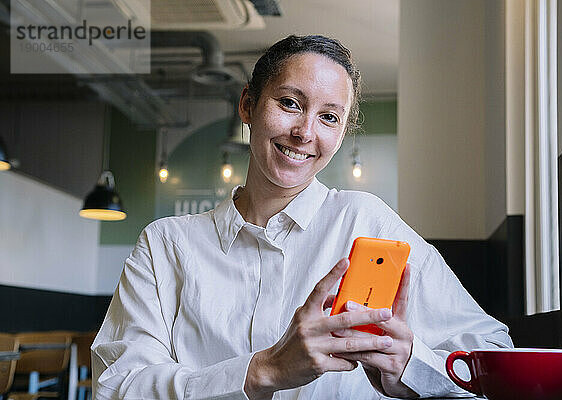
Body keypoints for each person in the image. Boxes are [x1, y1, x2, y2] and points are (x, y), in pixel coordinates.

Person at [91, 35, 513, 400]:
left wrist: (410, 367)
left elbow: (495, 353)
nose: (305, 132)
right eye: (290, 103)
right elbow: (116, 387)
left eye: (329, 117)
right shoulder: (166, 244)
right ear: (248, 104)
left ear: (342, 132)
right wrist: (263, 371)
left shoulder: (366, 222)